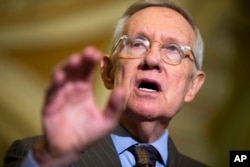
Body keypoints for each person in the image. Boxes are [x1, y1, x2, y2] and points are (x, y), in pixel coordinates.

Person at [3, 0, 208, 166]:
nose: (152, 59)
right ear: (108, 72)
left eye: (173, 49)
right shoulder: (39, 157)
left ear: (193, 86)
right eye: (137, 44)